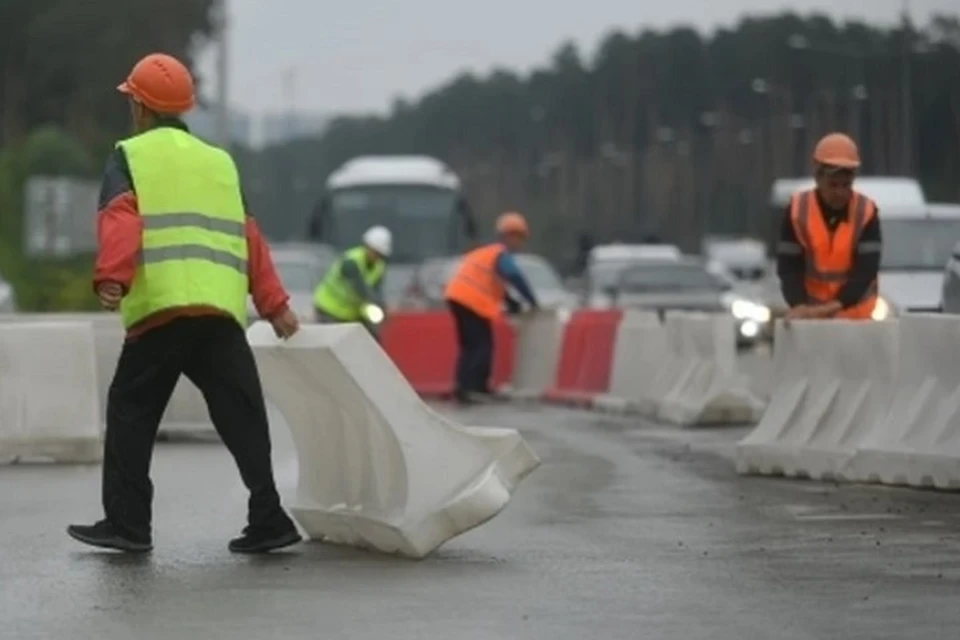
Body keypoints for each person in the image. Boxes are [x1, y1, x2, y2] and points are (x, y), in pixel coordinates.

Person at [67, 53, 302, 554]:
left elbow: (120, 218)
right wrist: (275, 303)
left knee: (131, 410)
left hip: (163, 310)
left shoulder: (130, 155)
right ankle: (269, 516)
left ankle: (128, 525)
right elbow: (249, 235)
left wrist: (113, 277)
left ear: (140, 107)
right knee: (242, 413)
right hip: (218, 313)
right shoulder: (220, 163)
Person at [776, 132, 882, 321]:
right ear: (817, 177)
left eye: (846, 185)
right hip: (810, 318)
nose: (840, 192)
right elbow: (789, 269)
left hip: (858, 319)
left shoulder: (866, 212)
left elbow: (865, 271)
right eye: (833, 185)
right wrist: (799, 306)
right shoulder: (797, 211)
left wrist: (831, 308)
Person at [444, 212, 539, 404]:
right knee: (482, 346)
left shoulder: (486, 253)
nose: (520, 244)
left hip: (457, 297)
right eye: (519, 238)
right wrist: (531, 300)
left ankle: (463, 386)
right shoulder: (500, 253)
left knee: (469, 346)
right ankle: (476, 388)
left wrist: (513, 303)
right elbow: (514, 275)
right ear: (510, 236)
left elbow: (495, 286)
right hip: (471, 301)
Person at [312, 226, 391, 338]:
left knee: (370, 338)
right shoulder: (351, 262)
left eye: (380, 254)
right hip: (329, 309)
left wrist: (382, 306)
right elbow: (361, 289)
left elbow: (377, 290)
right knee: (331, 342)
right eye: (375, 252)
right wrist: (375, 302)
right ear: (367, 246)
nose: (377, 256)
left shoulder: (379, 267)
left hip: (351, 313)